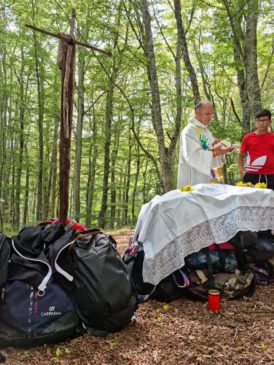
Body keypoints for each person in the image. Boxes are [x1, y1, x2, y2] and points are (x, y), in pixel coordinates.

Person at [177, 100, 233, 188]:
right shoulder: (188, 132)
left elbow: (210, 150)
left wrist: (219, 148)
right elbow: (192, 156)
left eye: (211, 114)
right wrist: (214, 152)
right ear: (197, 113)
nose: (210, 117)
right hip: (198, 178)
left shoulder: (206, 132)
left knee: (215, 196)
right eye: (207, 114)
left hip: (213, 175)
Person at [238, 108, 274, 190]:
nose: (261, 123)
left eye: (264, 120)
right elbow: (241, 155)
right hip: (251, 175)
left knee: (271, 201)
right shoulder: (248, 137)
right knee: (250, 201)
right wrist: (241, 171)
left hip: (271, 175)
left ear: (270, 122)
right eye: (258, 120)